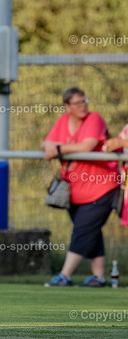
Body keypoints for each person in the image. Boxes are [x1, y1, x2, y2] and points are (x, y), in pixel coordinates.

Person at [42, 86, 120, 287]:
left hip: (102, 187)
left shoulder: (94, 118)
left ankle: (64, 275)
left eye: (84, 101)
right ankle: (98, 277)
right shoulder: (63, 121)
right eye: (77, 103)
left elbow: (87, 146)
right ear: (67, 106)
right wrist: (51, 147)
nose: (83, 105)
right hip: (75, 192)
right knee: (91, 231)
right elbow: (47, 144)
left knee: (82, 231)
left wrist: (58, 148)